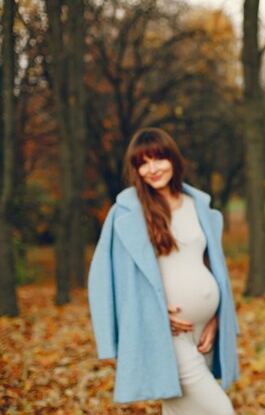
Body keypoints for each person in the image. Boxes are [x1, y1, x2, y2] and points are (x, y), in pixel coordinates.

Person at [88, 128, 239, 414]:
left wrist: (216, 319)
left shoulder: (198, 204)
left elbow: (211, 266)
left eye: (159, 158)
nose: (152, 169)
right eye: (143, 162)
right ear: (135, 169)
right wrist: (152, 312)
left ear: (173, 159)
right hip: (163, 333)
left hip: (205, 330)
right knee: (221, 410)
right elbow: (105, 278)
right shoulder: (127, 214)